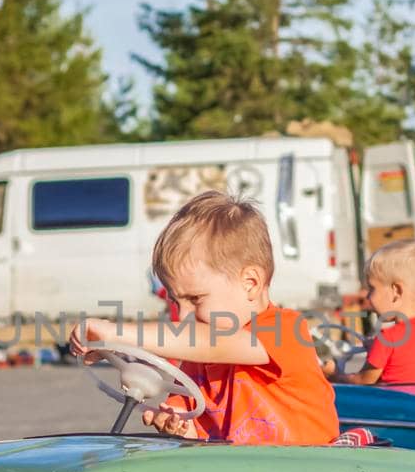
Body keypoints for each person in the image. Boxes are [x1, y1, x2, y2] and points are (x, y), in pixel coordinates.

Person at [68, 190, 338, 445]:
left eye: (196, 299)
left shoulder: (284, 330)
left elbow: (216, 342)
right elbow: (196, 418)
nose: (184, 315)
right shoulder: (197, 361)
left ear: (250, 283)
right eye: (175, 300)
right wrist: (179, 424)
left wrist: (115, 333)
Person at [334, 238, 415, 388]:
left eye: (372, 289)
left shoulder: (388, 338)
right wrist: (374, 349)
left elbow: (362, 381)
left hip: (395, 408)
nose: (368, 297)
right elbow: (405, 360)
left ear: (396, 291)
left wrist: (333, 374)